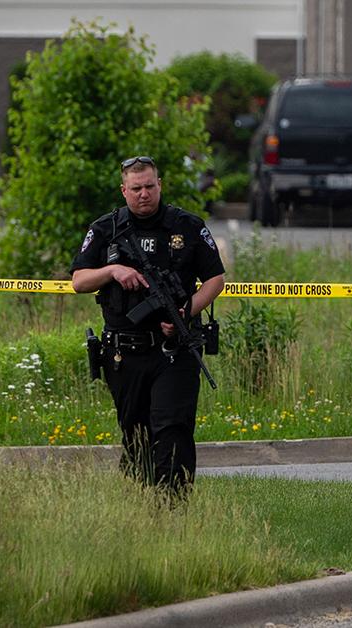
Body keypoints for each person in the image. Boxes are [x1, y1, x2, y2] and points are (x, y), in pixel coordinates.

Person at [70, 156, 226, 496]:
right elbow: (79, 281)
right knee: (134, 432)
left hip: (175, 350)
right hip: (124, 354)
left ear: (160, 186)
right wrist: (112, 271)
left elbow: (216, 279)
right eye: (137, 188)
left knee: (172, 428)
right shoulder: (105, 229)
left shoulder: (186, 226)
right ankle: (140, 502)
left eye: (150, 186)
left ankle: (173, 506)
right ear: (124, 190)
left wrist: (186, 312)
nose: (144, 194)